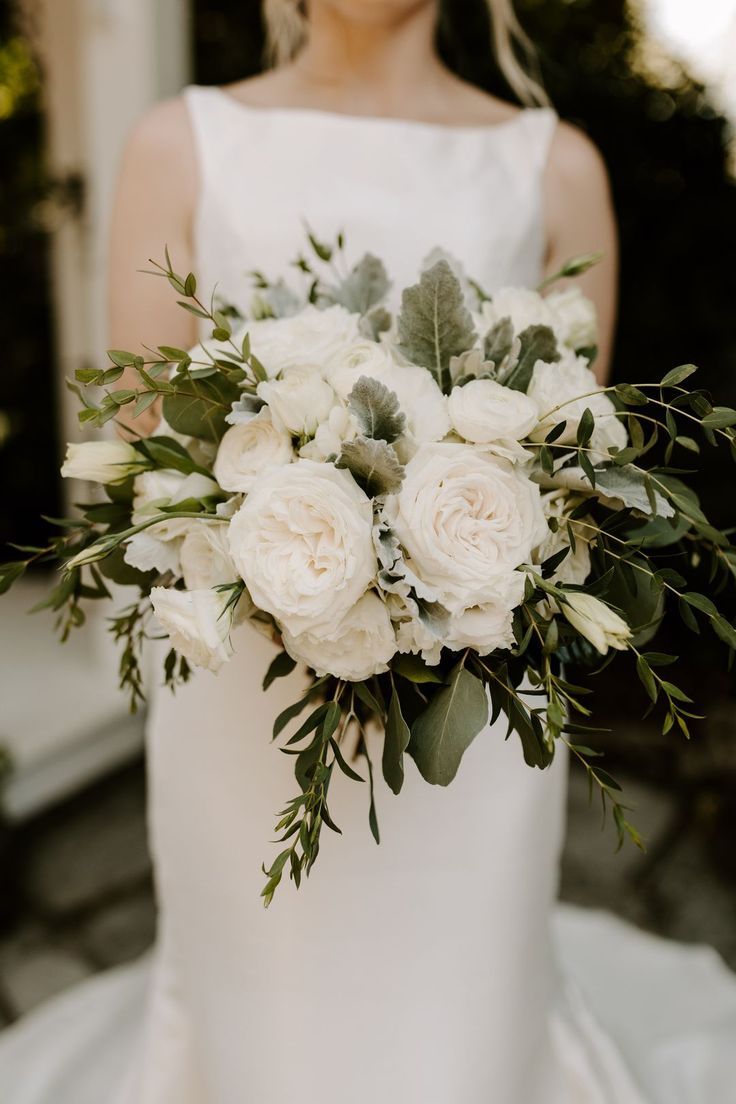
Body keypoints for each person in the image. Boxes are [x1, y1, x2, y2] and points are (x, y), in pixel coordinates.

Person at [2, 2, 736, 1102]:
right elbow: (143, 449)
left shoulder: (551, 167)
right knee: (269, 999)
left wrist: (423, 577)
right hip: (248, 692)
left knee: (458, 1001)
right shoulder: (181, 142)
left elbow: (567, 469)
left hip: (471, 689)